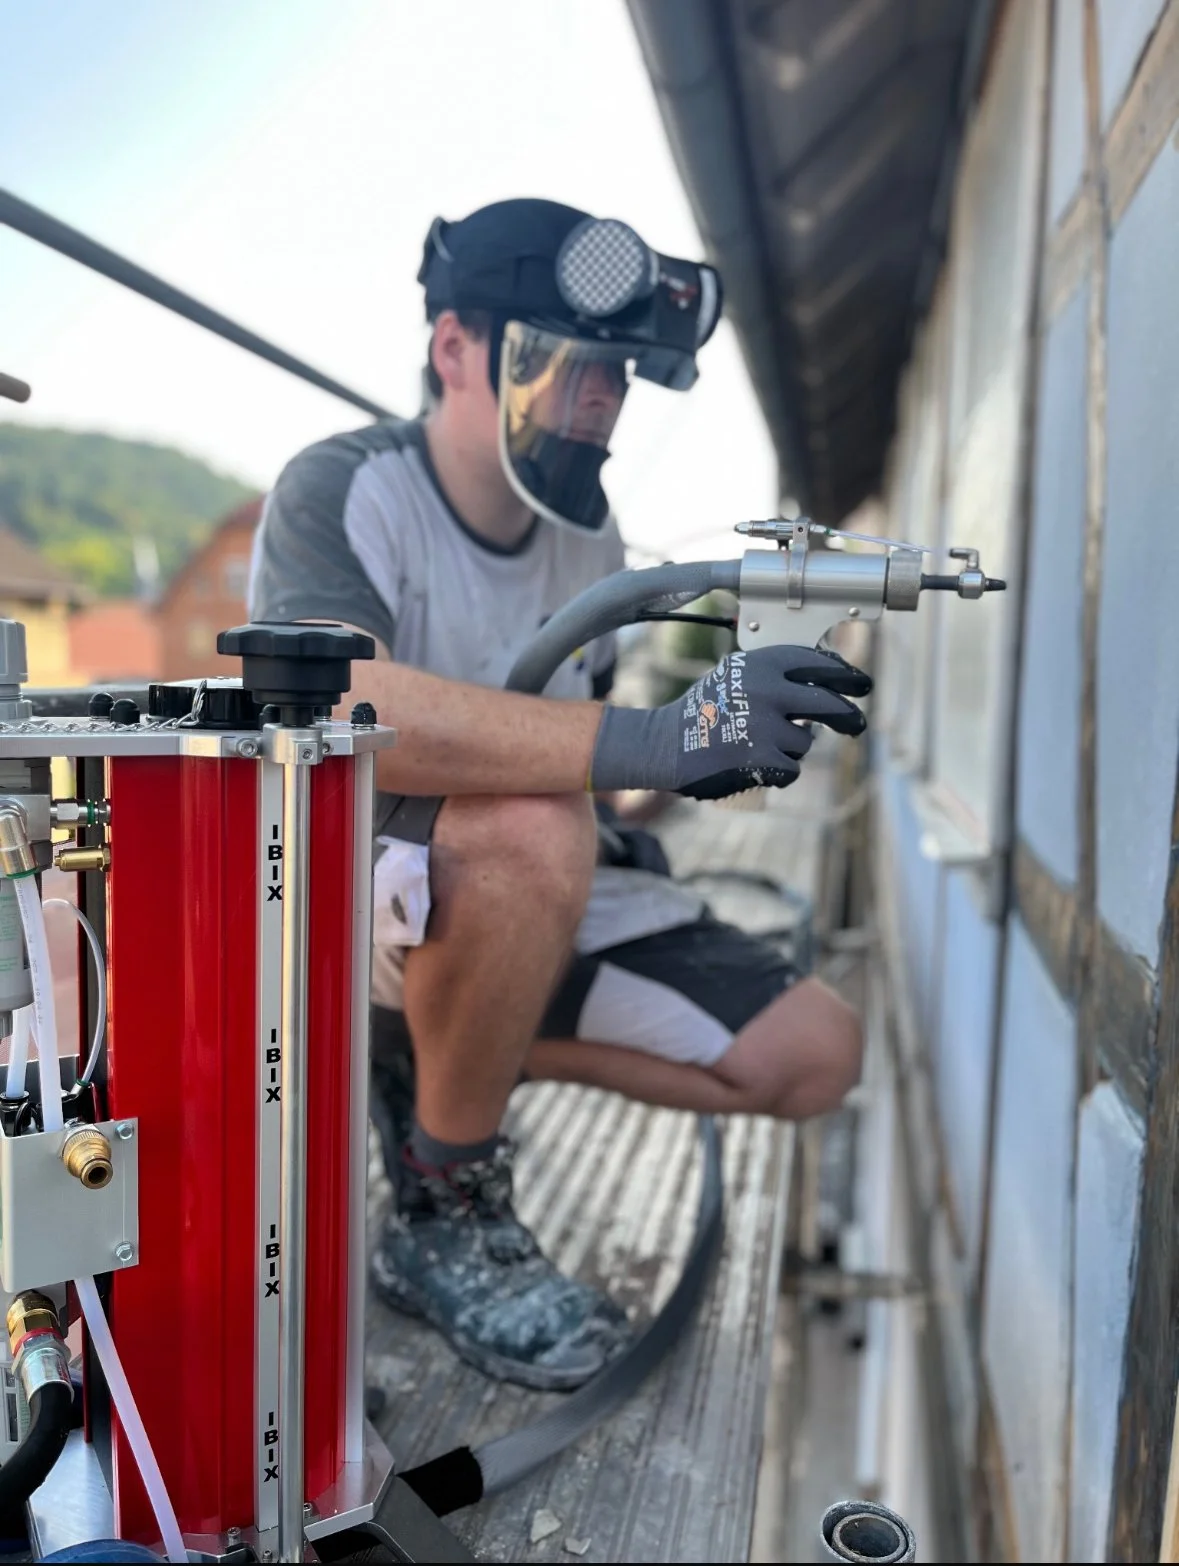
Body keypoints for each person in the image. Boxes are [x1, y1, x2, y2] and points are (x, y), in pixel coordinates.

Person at [247, 199, 870, 1392]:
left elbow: (582, 747)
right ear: (456, 348)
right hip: (345, 913)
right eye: (573, 364)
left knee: (816, 1054)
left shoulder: (591, 539)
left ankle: (448, 1056)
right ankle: (442, 1207)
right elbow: (340, 701)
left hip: (504, 903)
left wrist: (678, 770)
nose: (601, 399)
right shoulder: (345, 489)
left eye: (619, 373)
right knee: (533, 823)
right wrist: (660, 737)